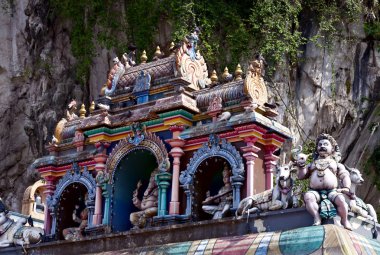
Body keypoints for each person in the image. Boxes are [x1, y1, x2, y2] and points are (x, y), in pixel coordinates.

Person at [295, 133, 352, 230]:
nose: (322, 146)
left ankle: (344, 220)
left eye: (326, 144)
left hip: (332, 191)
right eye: (320, 144)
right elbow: (301, 176)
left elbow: (345, 176)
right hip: (314, 191)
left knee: (341, 200)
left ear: (332, 149)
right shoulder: (312, 164)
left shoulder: (336, 164)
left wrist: (346, 188)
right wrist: (302, 166)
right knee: (308, 197)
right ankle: (316, 217)